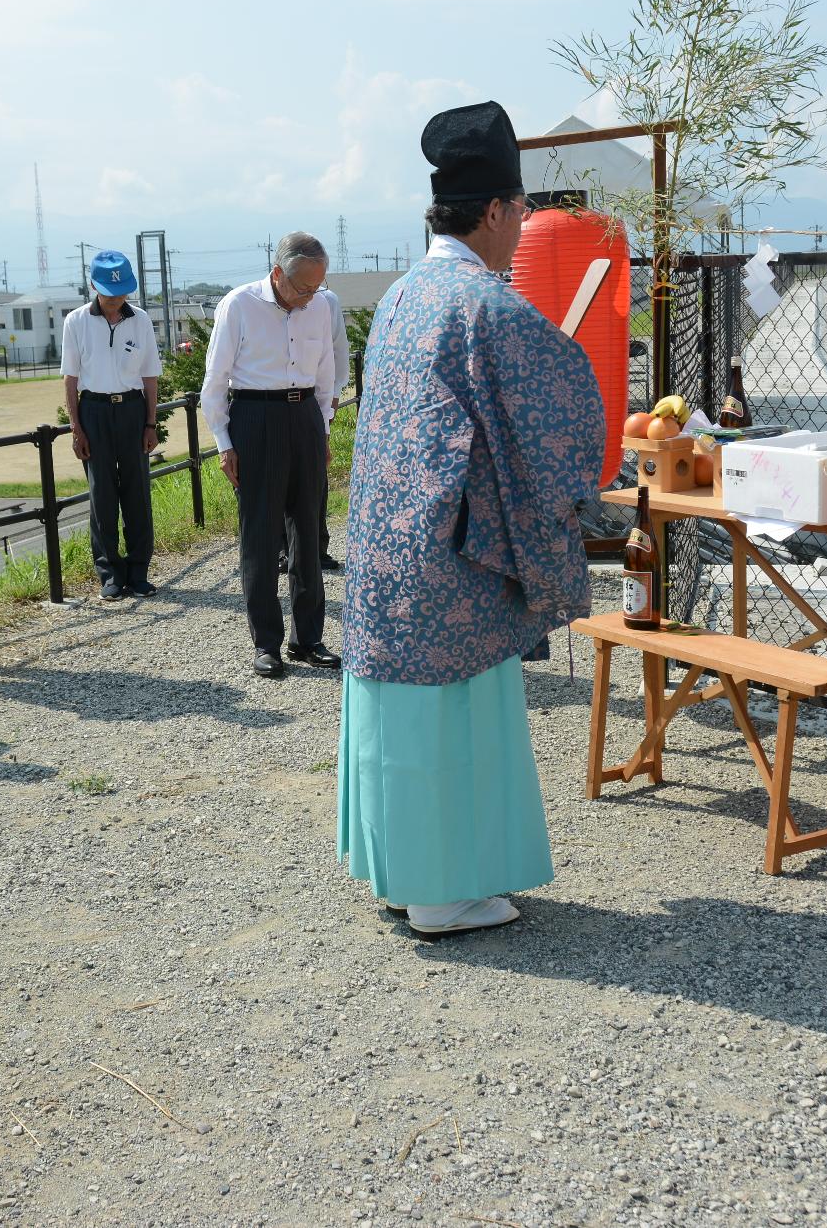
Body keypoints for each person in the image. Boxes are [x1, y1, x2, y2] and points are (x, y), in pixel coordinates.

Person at [336, 100, 604, 938]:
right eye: (523, 209)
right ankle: (443, 891)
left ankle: (397, 869)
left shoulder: (406, 294)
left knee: (393, 720)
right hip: (449, 558)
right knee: (450, 723)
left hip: (387, 547)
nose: (525, 225)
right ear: (494, 210)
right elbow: (563, 409)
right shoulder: (483, 304)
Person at [202, 233, 340, 679]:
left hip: (305, 419)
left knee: (308, 535)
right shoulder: (239, 305)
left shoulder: (320, 306)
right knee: (260, 537)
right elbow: (215, 381)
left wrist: (323, 430)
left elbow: (326, 374)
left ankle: (308, 638)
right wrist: (225, 442)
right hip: (255, 417)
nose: (309, 296)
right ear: (277, 273)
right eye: (302, 287)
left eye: (316, 288)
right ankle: (267, 642)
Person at [63, 250, 162, 601]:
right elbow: (70, 379)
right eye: (109, 293)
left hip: (133, 410)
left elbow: (150, 376)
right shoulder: (75, 321)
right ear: (93, 286)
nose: (116, 300)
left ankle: (139, 572)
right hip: (94, 410)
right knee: (101, 495)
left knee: (137, 493)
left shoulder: (141, 320)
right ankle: (109, 572)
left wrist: (151, 423)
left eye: (121, 293)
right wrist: (77, 428)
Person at [278, 284, 348, 576]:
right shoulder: (267, 301)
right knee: (280, 476)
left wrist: (330, 400)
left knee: (314, 476)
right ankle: (283, 549)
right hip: (277, 401)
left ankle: (316, 546)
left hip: (312, 400)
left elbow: (336, 352)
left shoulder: (326, 300)